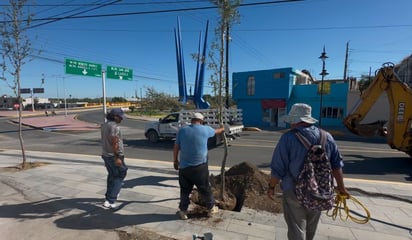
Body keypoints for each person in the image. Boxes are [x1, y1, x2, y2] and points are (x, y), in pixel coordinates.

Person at [267, 103, 350, 240]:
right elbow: (336, 165)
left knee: (296, 229)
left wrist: (271, 187)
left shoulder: (288, 138)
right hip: (319, 191)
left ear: (296, 120)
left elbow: (278, 168)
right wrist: (341, 188)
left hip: (293, 191)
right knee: (311, 228)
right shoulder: (327, 137)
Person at [173, 112, 225, 220]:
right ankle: (211, 209)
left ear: (192, 120)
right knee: (205, 188)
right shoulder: (205, 129)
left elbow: (176, 147)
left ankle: (183, 212)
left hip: (184, 168)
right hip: (199, 167)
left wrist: (175, 161)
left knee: (185, 190)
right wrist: (223, 128)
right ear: (201, 121)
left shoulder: (182, 131)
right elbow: (216, 131)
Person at [101, 108, 128, 209]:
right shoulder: (115, 127)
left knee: (112, 175)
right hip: (114, 156)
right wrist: (117, 157)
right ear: (115, 116)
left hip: (106, 155)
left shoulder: (104, 125)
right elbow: (114, 143)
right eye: (120, 117)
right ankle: (111, 200)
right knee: (120, 174)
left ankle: (109, 196)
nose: (121, 119)